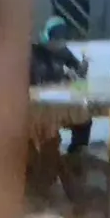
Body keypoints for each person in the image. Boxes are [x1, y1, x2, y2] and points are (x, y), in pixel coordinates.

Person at [29, 17, 91, 154]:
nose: (60, 44)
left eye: (63, 40)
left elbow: (78, 73)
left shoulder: (63, 51)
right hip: (39, 106)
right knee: (48, 136)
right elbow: (37, 83)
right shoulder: (33, 53)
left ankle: (76, 154)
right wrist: (63, 78)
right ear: (46, 37)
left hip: (60, 101)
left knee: (84, 119)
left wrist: (83, 65)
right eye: (57, 40)